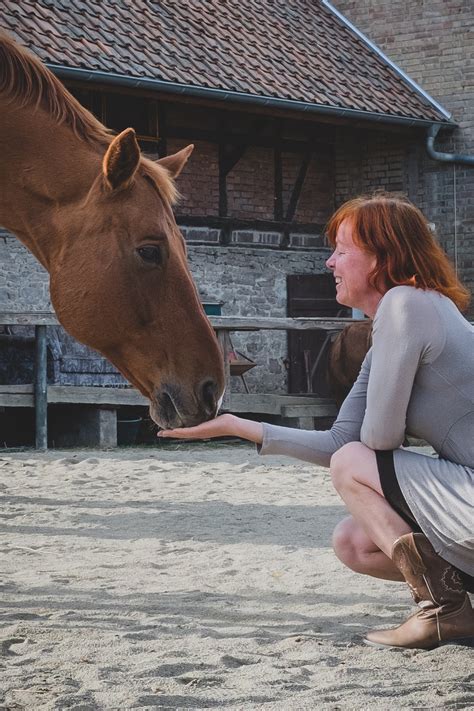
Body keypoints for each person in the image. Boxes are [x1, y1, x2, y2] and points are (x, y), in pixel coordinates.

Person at [158, 193, 474, 650]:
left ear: (381, 258)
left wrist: (369, 440)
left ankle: (445, 611)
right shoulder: (406, 320)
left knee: (354, 462)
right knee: (354, 541)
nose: (329, 262)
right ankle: (456, 607)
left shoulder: (407, 304)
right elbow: (341, 442)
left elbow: (374, 441)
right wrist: (237, 426)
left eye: (342, 250)